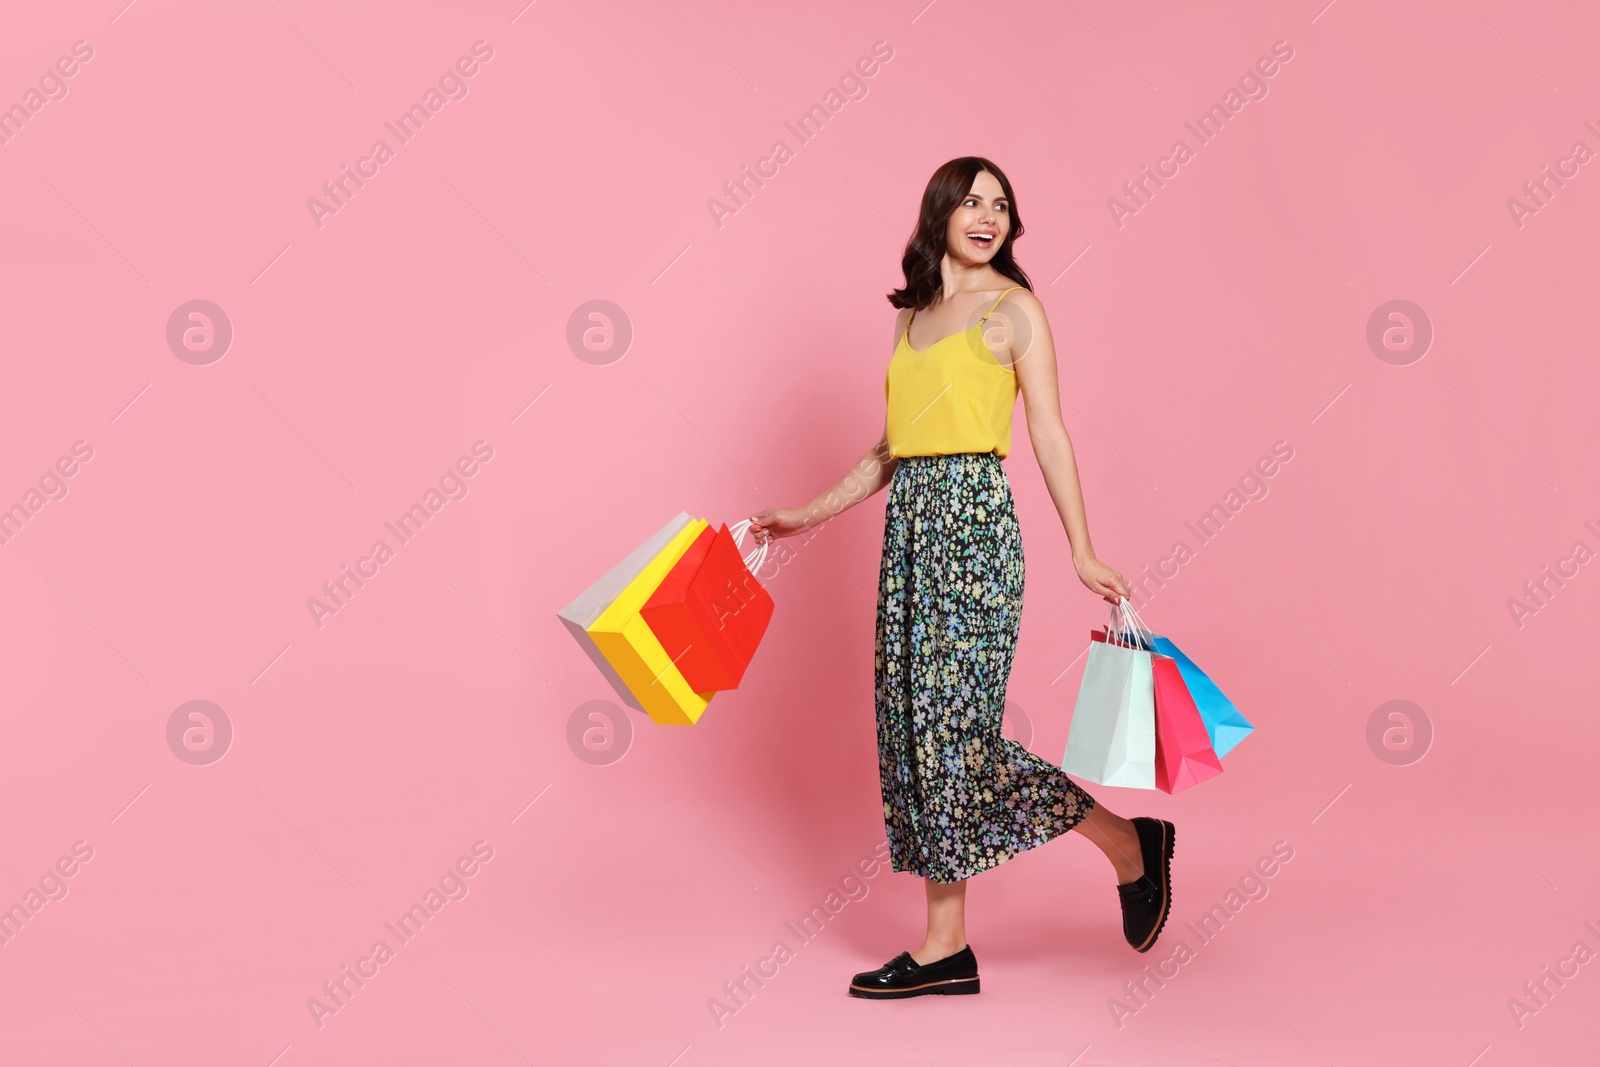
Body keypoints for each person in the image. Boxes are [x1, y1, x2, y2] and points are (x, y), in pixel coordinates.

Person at [747, 157, 1175, 1000]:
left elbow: (1048, 434)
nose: (988, 216)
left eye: (1003, 206)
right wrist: (806, 514)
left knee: (959, 740)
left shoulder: (1016, 312)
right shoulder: (911, 320)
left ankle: (1128, 845)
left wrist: (1082, 550)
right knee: (916, 736)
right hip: (909, 531)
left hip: (974, 527)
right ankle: (947, 946)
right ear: (940, 210)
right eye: (973, 200)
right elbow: (888, 450)